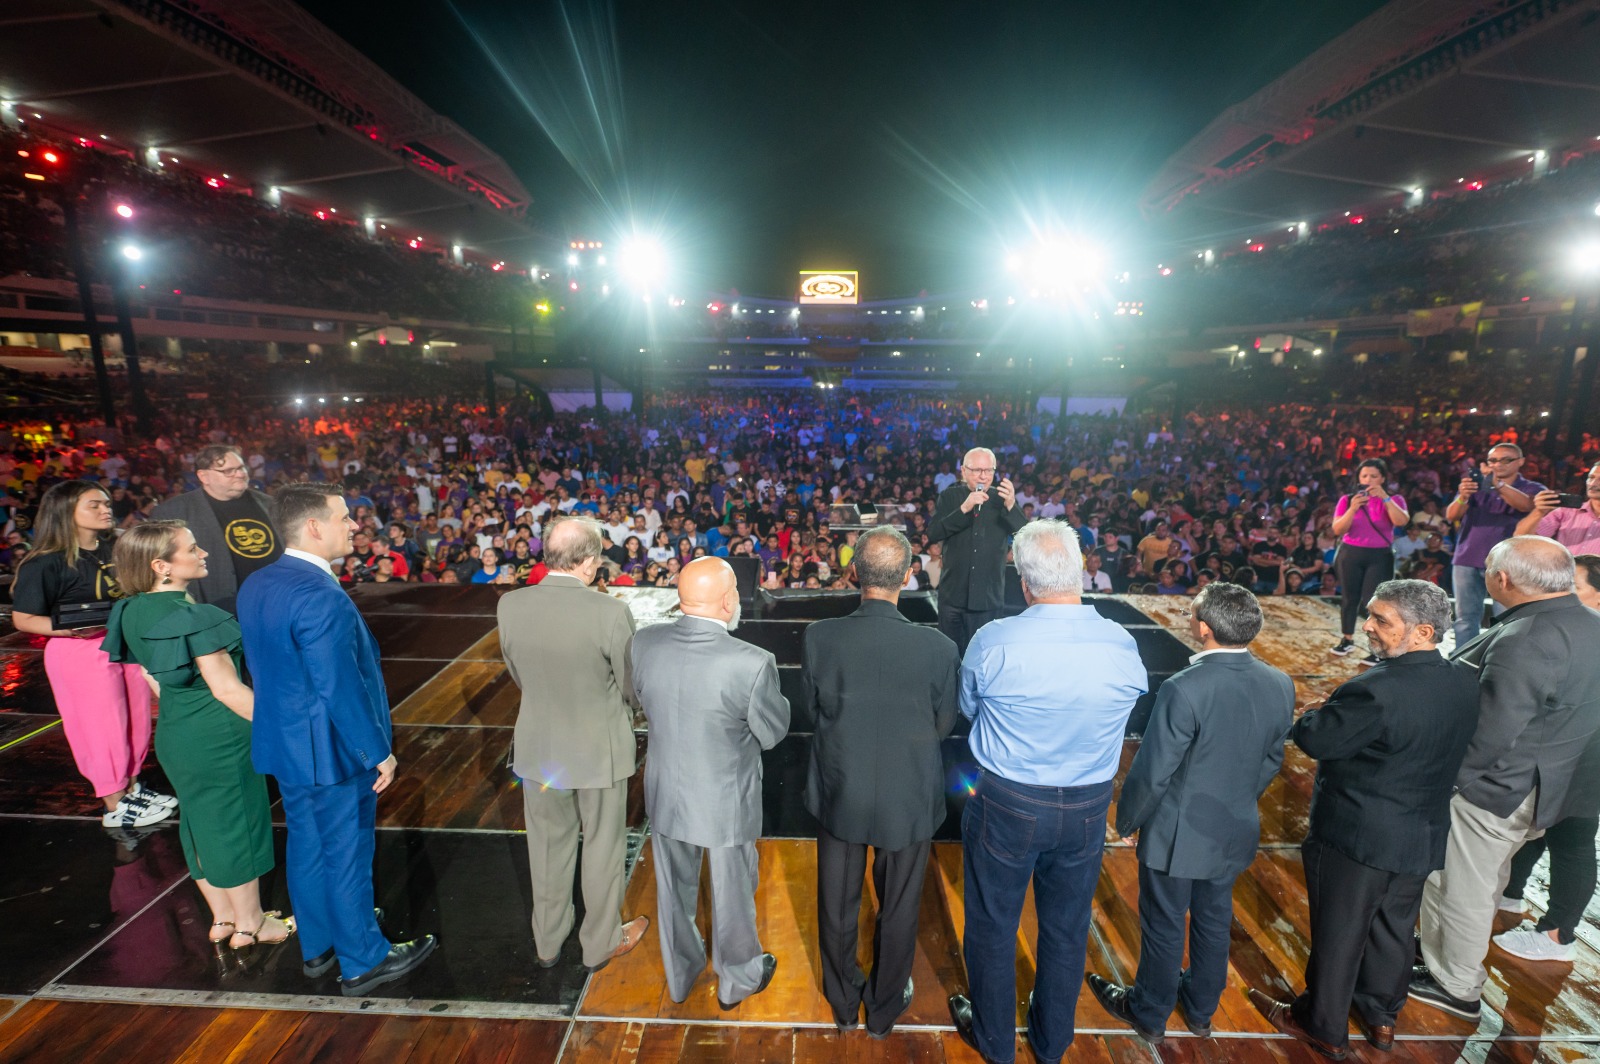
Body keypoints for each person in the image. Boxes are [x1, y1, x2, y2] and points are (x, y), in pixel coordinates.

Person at [948, 520, 1148, 1064]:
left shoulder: (995, 640)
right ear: (1081, 573)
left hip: (1008, 801)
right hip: (1086, 805)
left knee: (993, 922)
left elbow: (968, 709)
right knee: (1066, 926)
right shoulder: (1121, 643)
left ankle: (993, 1041)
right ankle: (1052, 1040)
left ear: (1024, 583)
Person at [1250, 580, 1478, 1057]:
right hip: (1421, 834)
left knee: (1339, 930)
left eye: (1381, 620)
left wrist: (1315, 714)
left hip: (1357, 837)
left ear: (1422, 632)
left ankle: (1322, 1024)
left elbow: (1316, 740)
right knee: (1393, 930)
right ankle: (1380, 1019)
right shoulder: (1462, 679)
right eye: (1370, 615)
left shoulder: (1375, 689)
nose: (1368, 626)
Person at [237, 484, 436, 997]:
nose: (354, 526)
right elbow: (339, 686)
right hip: (333, 750)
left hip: (286, 744)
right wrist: (378, 752)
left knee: (306, 845)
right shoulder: (321, 595)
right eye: (344, 518)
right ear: (313, 527)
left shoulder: (257, 583)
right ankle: (363, 959)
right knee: (346, 852)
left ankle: (319, 947)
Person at [1087, 583, 1293, 1046]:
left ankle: (1149, 1012)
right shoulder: (1280, 683)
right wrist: (1239, 797)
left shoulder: (1185, 687)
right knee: (1214, 921)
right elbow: (1271, 761)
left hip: (1176, 834)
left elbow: (1155, 768)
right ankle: (1201, 1010)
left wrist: (1129, 820)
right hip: (1233, 827)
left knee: (1163, 925)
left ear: (1203, 628)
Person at [1411, 537, 1600, 1021]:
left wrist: (1447, 784)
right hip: (1551, 784)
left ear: (1503, 579)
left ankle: (1454, 983)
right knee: (1486, 880)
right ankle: (1443, 956)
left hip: (1497, 787)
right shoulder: (1590, 626)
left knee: (1459, 886)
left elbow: (1493, 732)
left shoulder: (1529, 637)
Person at [801, 527, 960, 1036]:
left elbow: (813, 711)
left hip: (840, 791)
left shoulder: (820, 636)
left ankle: (844, 1003)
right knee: (898, 907)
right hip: (908, 795)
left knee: (837, 904)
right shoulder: (937, 646)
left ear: (853, 574)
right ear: (908, 577)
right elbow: (944, 724)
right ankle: (884, 1009)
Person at [102, 521, 288, 950]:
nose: (204, 552)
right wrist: (285, 729)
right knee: (236, 825)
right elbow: (227, 689)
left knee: (201, 824)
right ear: (161, 566)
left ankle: (223, 919)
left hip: (176, 732)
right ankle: (253, 926)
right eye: (193, 547)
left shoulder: (130, 611)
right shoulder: (193, 617)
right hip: (219, 735)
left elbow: (155, 678)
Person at [630, 556, 789, 1009]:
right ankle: (737, 980)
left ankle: (680, 978)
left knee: (673, 893)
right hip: (724, 801)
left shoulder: (644, 643)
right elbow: (773, 732)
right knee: (733, 895)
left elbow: (639, 700)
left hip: (664, 793)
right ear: (727, 601)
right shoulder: (752, 662)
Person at [497, 517, 649, 972]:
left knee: (545, 847)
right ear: (588, 563)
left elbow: (517, 674)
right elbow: (630, 687)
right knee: (602, 848)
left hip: (539, 750)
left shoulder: (511, 605)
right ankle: (599, 943)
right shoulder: (608, 612)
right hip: (598, 753)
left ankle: (547, 941)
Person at [10, 481, 173, 829]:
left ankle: (131, 787)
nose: (106, 509)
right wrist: (70, 629)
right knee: (102, 728)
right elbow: (22, 618)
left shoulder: (115, 546)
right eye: (94, 505)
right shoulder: (44, 563)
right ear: (67, 513)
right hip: (80, 651)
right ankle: (114, 802)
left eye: (106, 503)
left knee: (137, 721)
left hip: (123, 642)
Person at [1492, 551, 1600, 963]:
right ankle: (1511, 894)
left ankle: (1558, 934)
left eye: (1575, 587)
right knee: (1538, 827)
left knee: (1571, 839)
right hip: (1564, 754)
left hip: (1585, 757)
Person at [151, 445, 282, 615]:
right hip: (220, 611)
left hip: (278, 603)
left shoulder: (270, 504)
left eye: (241, 468)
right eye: (228, 471)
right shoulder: (173, 511)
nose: (241, 474)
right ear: (203, 476)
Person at [928, 447, 1026, 656]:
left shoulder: (1002, 500)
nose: (983, 476)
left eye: (988, 470)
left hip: (987, 598)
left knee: (983, 657)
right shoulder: (950, 497)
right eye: (976, 470)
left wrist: (1011, 505)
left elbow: (1026, 537)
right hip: (953, 595)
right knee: (949, 656)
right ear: (963, 471)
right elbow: (934, 533)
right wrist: (964, 508)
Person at [1445, 444, 1540, 647]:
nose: (1498, 464)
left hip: (1509, 562)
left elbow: (1527, 505)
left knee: (1505, 618)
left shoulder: (1533, 488)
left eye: (1506, 460)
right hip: (1467, 558)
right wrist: (1462, 497)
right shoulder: (1475, 485)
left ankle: (1499, 663)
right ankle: (1463, 662)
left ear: (1520, 462)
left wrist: (1497, 483)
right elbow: (1451, 515)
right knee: (1465, 618)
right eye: (1493, 461)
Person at [1329, 459, 1408, 664]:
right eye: (1364, 476)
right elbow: (1337, 530)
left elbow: (1401, 522)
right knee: (1349, 598)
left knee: (1373, 602)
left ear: (1382, 478)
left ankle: (1377, 647)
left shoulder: (1395, 499)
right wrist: (1353, 508)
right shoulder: (1347, 500)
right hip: (1350, 553)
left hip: (1379, 556)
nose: (1368, 480)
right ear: (1358, 478)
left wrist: (1385, 498)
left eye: (1374, 476)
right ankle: (1347, 639)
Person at [1513, 460, 1600, 558]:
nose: (1593, 483)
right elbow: (1521, 539)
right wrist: (1539, 512)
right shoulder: (1566, 512)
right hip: (1563, 572)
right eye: (1591, 478)